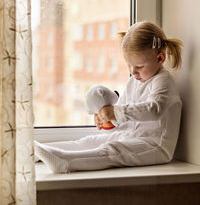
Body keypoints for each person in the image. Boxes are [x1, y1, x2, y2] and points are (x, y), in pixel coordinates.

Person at [34, 21, 183, 173]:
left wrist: (116, 112)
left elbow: (154, 110)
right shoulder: (134, 81)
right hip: (131, 136)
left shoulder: (163, 81)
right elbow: (122, 116)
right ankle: (39, 152)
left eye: (139, 67)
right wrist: (107, 118)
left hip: (155, 146)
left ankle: (65, 162)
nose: (133, 72)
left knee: (114, 149)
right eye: (129, 66)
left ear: (160, 58)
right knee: (92, 141)